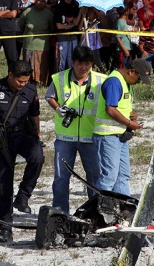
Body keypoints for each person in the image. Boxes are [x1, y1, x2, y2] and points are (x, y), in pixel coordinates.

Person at [0, 60, 43, 243]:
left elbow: (35, 115)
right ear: (10, 75)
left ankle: (23, 196)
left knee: (37, 157)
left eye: (26, 81)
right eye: (20, 81)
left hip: (24, 136)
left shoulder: (31, 91)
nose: (23, 85)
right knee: (3, 184)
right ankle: (5, 228)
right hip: (3, 139)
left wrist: (37, 135)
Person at [45, 46, 106, 213]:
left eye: (87, 64)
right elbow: (49, 96)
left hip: (91, 137)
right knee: (61, 178)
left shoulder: (102, 80)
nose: (83, 68)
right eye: (80, 64)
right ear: (72, 62)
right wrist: (57, 108)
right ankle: (60, 214)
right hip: (65, 138)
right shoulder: (60, 78)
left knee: (94, 179)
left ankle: (94, 214)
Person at [93, 59, 151, 195]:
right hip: (108, 136)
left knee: (122, 175)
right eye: (139, 78)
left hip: (121, 136)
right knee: (109, 177)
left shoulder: (125, 82)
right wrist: (130, 123)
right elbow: (110, 110)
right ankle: (94, 210)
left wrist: (131, 114)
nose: (139, 82)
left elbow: (120, 106)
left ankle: (123, 208)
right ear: (131, 71)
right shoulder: (114, 82)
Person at [18, 0, 53, 85]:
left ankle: (41, 83)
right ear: (35, 1)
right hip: (29, 45)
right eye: (38, 0)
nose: (40, 3)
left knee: (43, 66)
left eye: (42, 1)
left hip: (43, 46)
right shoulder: (28, 12)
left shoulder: (49, 14)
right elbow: (20, 26)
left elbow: (52, 28)